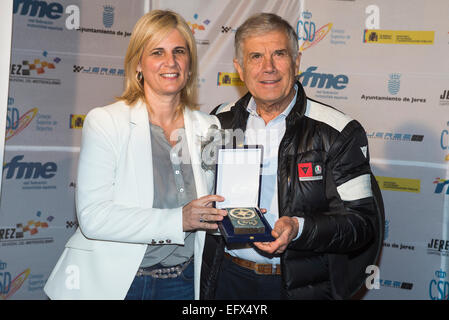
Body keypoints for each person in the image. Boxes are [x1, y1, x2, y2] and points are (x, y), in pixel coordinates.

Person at [44, 10, 227, 300]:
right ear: (138, 64)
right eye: (158, 52)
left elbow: (214, 204)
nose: (171, 62)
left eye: (179, 51)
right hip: (118, 283)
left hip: (185, 282)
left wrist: (246, 217)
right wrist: (178, 220)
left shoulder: (210, 126)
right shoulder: (106, 122)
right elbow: (93, 217)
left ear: (190, 65)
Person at [200, 13, 384, 300]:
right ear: (239, 67)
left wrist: (299, 228)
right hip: (227, 278)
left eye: (279, 54)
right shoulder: (218, 121)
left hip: (300, 285)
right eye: (256, 56)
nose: (268, 67)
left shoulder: (337, 131)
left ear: (297, 62)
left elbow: (362, 223)